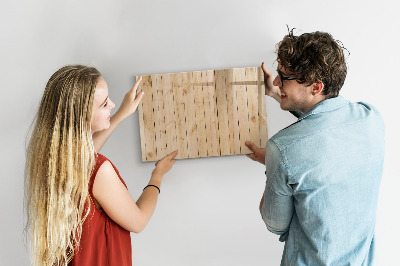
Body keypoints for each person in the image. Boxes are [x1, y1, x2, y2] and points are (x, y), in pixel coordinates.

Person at [245, 30, 385, 265]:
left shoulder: (282, 149)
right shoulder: (371, 118)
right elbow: (325, 124)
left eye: (284, 77)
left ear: (316, 87)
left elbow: (275, 224)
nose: (277, 81)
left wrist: (273, 162)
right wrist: (278, 94)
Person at [24, 65, 178, 266]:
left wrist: (122, 113)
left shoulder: (53, 160)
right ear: (82, 117)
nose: (113, 104)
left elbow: (86, 157)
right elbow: (138, 221)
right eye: (105, 104)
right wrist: (157, 176)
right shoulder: (100, 170)